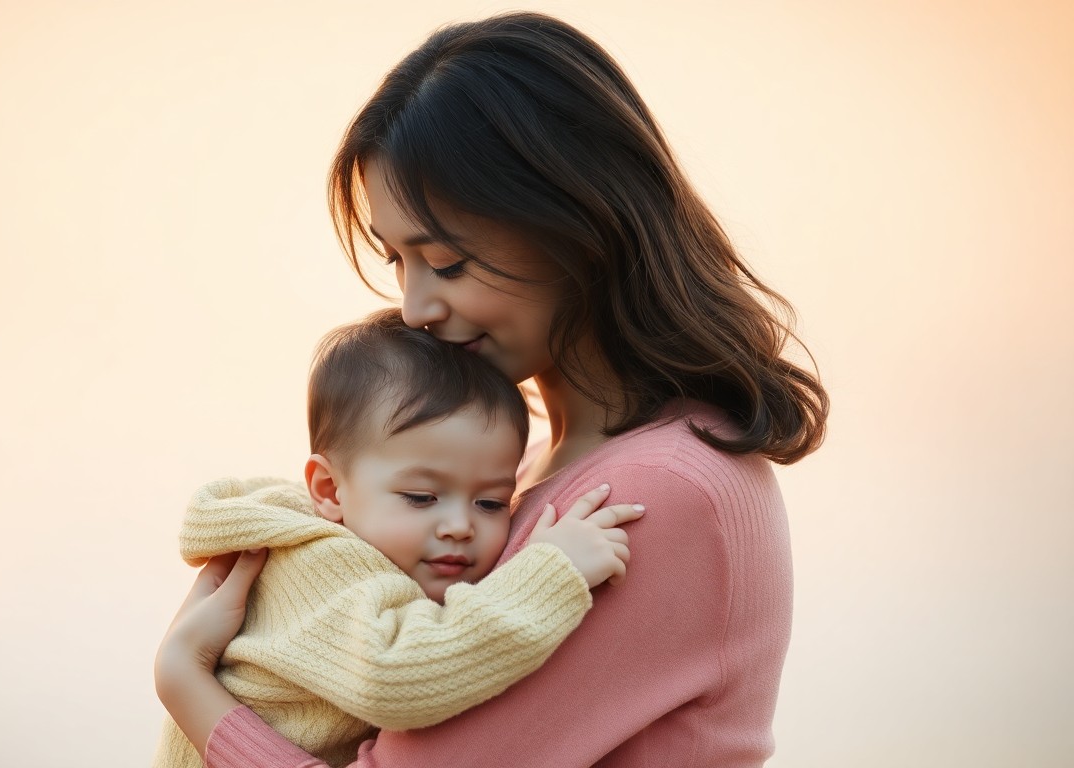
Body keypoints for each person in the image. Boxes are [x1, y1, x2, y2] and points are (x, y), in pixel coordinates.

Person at [155, 10, 830, 767]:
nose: (415, 308)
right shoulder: (526, 469)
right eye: (397, 263)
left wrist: (190, 690)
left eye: (444, 262)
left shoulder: (648, 499)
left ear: (577, 223)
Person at [153, 309, 643, 768]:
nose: (459, 525)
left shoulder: (371, 548)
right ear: (329, 490)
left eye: (492, 503)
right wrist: (548, 576)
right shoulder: (320, 563)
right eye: (421, 497)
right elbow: (397, 677)